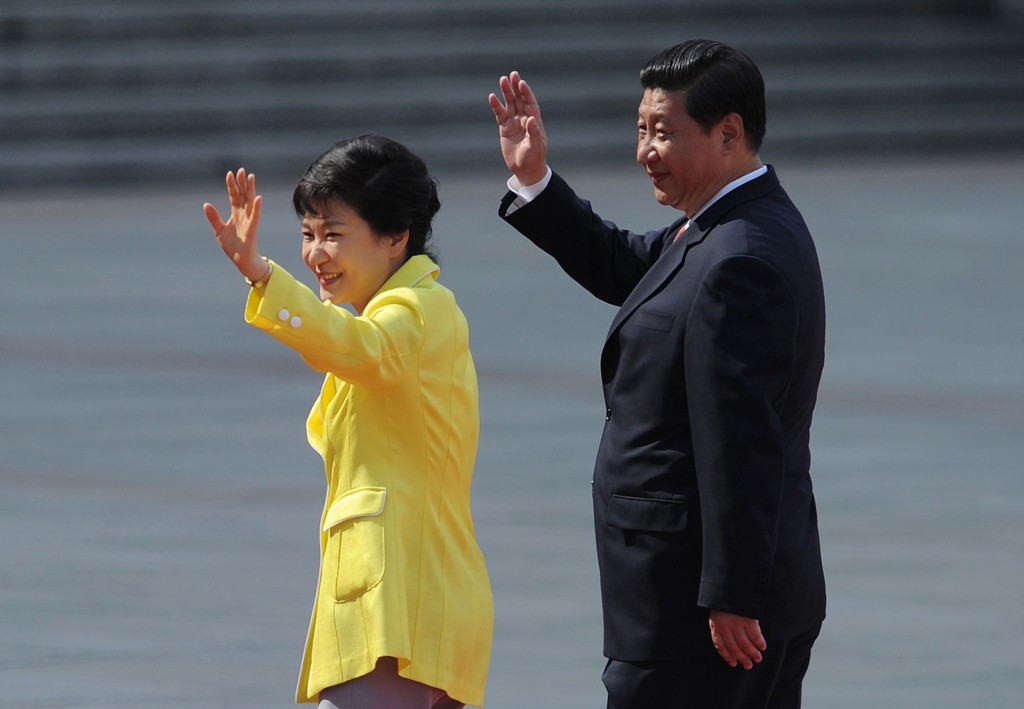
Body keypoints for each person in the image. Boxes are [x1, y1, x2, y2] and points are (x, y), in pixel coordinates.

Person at [488, 40, 826, 708]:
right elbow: (624, 263)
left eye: (664, 132)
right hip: (702, 601)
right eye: (641, 129)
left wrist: (731, 596)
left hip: (702, 616)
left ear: (729, 132)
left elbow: (741, 441)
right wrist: (535, 180)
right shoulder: (720, 226)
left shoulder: (740, 257)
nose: (644, 149)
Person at [202, 134, 493, 708]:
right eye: (308, 235)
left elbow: (359, 349)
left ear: (395, 237)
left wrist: (263, 276)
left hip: (395, 607)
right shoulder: (406, 312)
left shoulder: (416, 310)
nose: (316, 254)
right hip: (424, 598)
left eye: (334, 234)